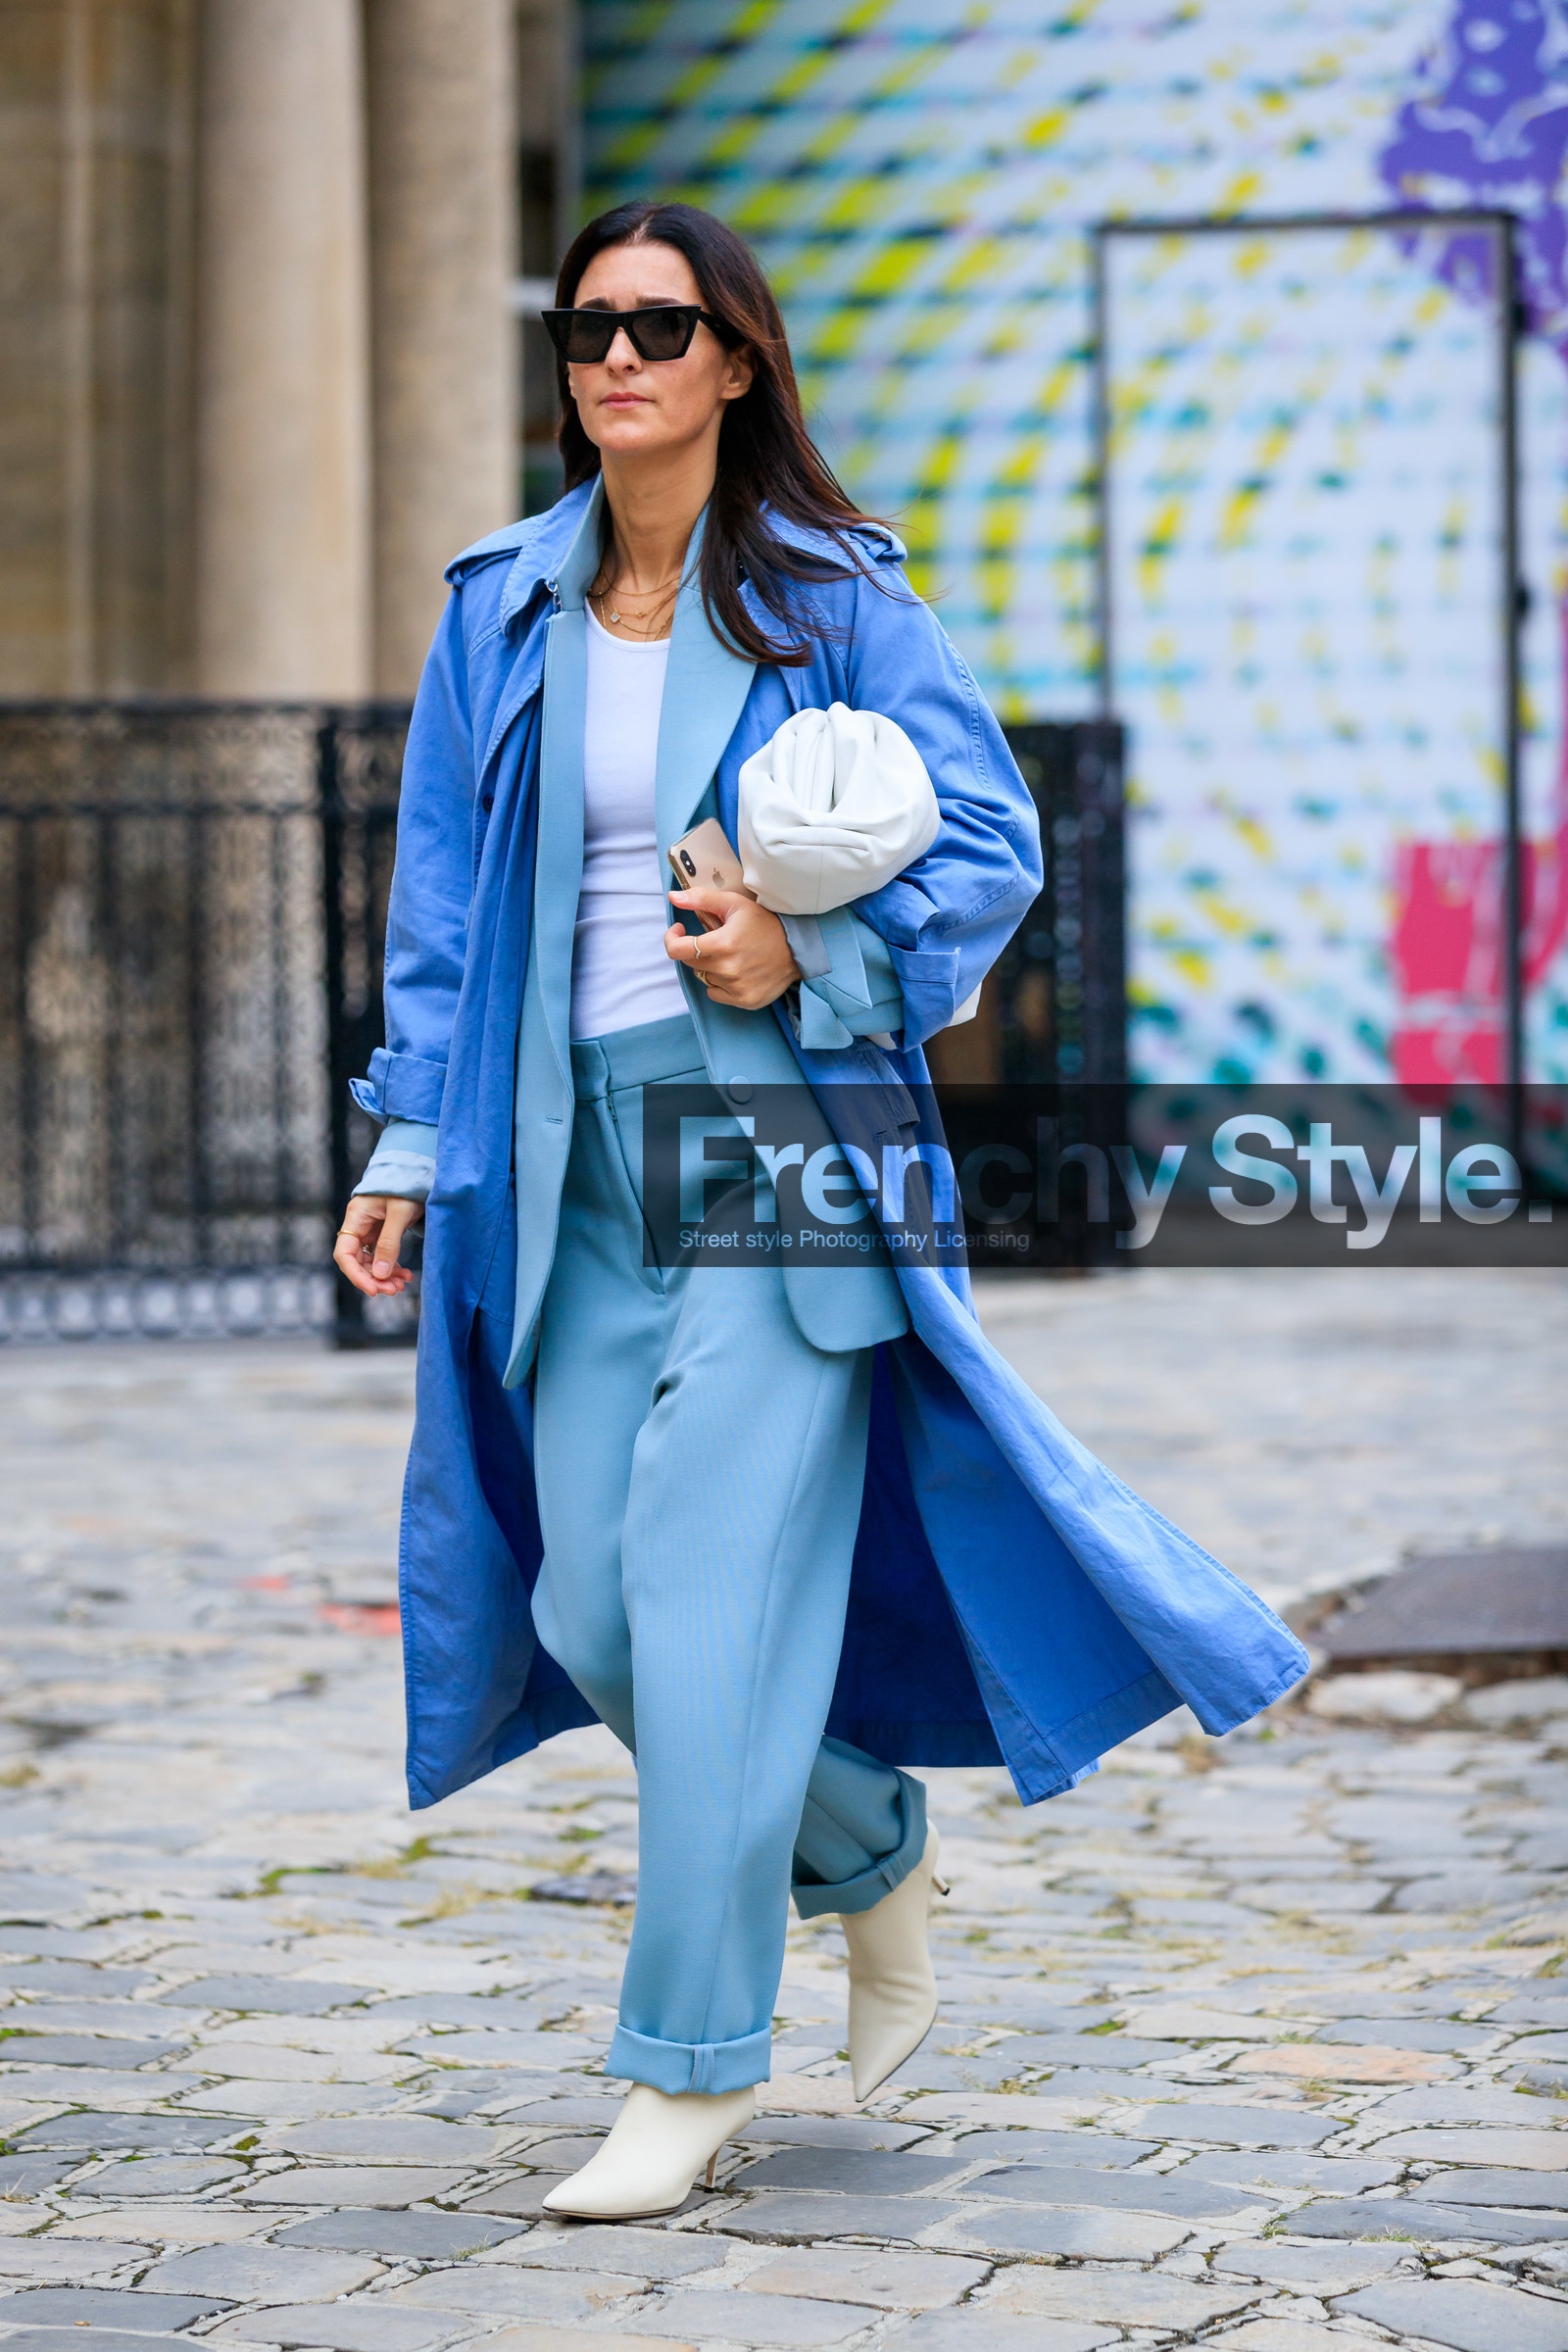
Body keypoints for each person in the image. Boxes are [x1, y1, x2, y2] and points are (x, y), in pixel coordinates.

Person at [334, 200, 1307, 2222]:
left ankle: (685, 2068)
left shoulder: (830, 598)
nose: (615, 359)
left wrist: (809, 963)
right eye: (587, 327)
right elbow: (438, 908)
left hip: (773, 1142)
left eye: (658, 327)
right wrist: (407, 1143)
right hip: (563, 1152)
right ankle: (860, 1834)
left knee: (698, 1595)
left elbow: (984, 843)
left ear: (735, 361)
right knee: (581, 1605)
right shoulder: (497, 606)